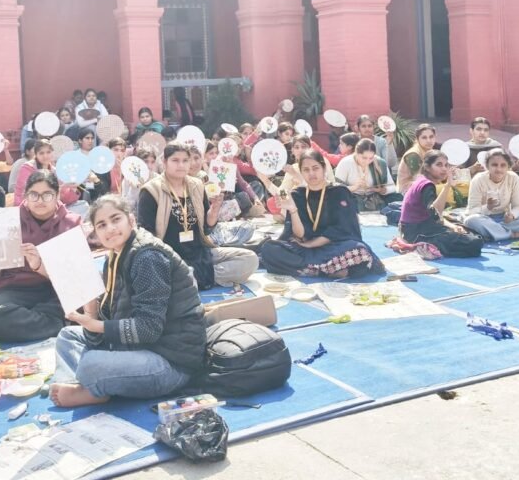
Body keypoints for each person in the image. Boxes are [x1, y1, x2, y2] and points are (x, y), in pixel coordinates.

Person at [50, 195, 206, 407]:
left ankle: (91, 387)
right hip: (137, 348)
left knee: (90, 365)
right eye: (102, 225)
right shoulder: (114, 256)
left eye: (116, 219)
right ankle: (80, 386)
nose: (110, 228)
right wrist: (92, 312)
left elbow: (149, 329)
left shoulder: (147, 257)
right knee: (68, 336)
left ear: (131, 220)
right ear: (95, 233)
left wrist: (96, 325)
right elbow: (108, 325)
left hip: (171, 363)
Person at [137, 142, 258, 290]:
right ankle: (192, 278)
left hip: (200, 252)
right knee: (156, 271)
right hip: (169, 258)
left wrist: (214, 210)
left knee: (250, 259)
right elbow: (146, 237)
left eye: (185, 160)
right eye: (175, 160)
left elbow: (206, 229)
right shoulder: (151, 191)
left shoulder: (197, 185)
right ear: (164, 162)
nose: (181, 165)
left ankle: (192, 279)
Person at [0, 171, 80, 342]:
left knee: (89, 298)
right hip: (14, 289)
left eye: (47, 195)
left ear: (57, 195)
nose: (40, 201)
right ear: (25, 196)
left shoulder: (71, 223)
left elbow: (75, 275)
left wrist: (39, 266)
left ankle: (43, 319)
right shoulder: (5, 221)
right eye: (34, 195)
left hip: (55, 290)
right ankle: (56, 323)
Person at [261, 149, 383, 278]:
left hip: (334, 246)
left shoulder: (339, 192)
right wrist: (293, 210)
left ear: (324, 169)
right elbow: (299, 234)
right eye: (306, 170)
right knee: (269, 249)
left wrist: (311, 244)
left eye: (315, 168)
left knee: (360, 250)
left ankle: (310, 269)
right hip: (304, 248)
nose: (311, 173)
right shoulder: (297, 194)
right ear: (301, 172)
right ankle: (324, 270)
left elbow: (343, 229)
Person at [399, 151, 483, 258]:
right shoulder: (426, 185)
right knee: (475, 242)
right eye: (439, 165)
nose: (444, 169)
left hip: (421, 227)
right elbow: (435, 213)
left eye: (446, 165)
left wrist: (452, 226)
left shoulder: (422, 180)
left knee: (469, 232)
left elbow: (435, 216)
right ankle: (428, 246)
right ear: (427, 167)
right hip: (416, 232)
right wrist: (448, 185)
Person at [463, 150, 519, 241]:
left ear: (508, 167)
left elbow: (518, 206)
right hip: (484, 218)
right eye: (494, 165)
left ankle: (494, 232)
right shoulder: (478, 180)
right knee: (471, 221)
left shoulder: (513, 178)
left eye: (503, 165)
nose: (499, 169)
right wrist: (488, 207)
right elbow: (472, 210)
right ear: (487, 166)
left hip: (505, 219)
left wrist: (512, 215)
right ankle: (513, 234)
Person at [334, 137, 402, 212]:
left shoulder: (380, 163)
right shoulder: (345, 163)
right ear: (356, 153)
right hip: (351, 200)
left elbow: (392, 187)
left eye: (371, 158)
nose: (367, 161)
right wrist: (354, 187)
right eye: (364, 158)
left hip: (375, 201)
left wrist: (382, 190)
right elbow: (336, 189)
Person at [397, 123, 438, 193]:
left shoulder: (430, 151)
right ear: (417, 139)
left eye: (431, 137)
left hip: (425, 185)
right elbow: (419, 179)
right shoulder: (413, 154)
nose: (428, 140)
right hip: (407, 191)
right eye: (424, 138)